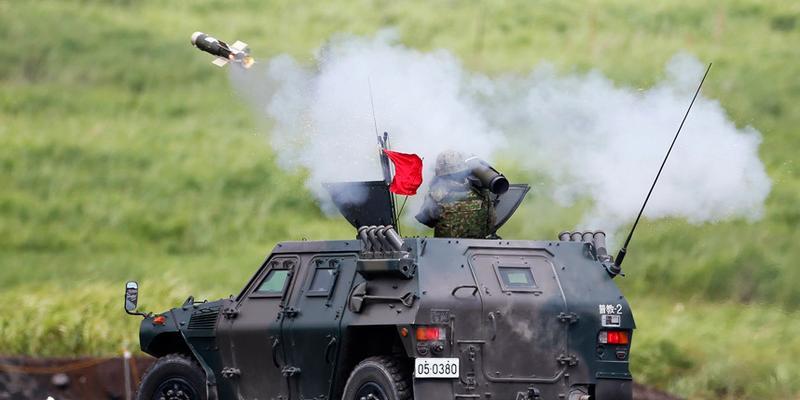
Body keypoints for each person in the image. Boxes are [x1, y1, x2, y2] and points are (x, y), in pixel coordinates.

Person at [415, 150, 495, 238]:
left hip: (447, 250)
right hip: (476, 250)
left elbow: (426, 220)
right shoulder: (481, 193)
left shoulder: (436, 196)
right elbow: (490, 224)